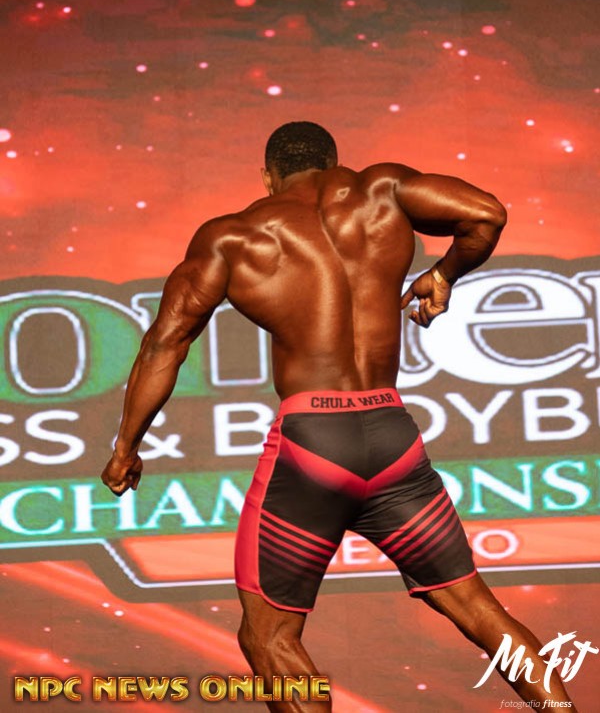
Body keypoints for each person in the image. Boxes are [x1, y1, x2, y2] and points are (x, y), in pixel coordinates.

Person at [102, 121, 576, 711]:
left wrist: (126, 447)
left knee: (269, 638)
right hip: (392, 437)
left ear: (268, 176)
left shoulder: (234, 236)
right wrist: (443, 274)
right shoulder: (383, 191)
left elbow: (165, 344)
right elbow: (486, 214)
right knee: (478, 609)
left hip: (313, 448)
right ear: (332, 163)